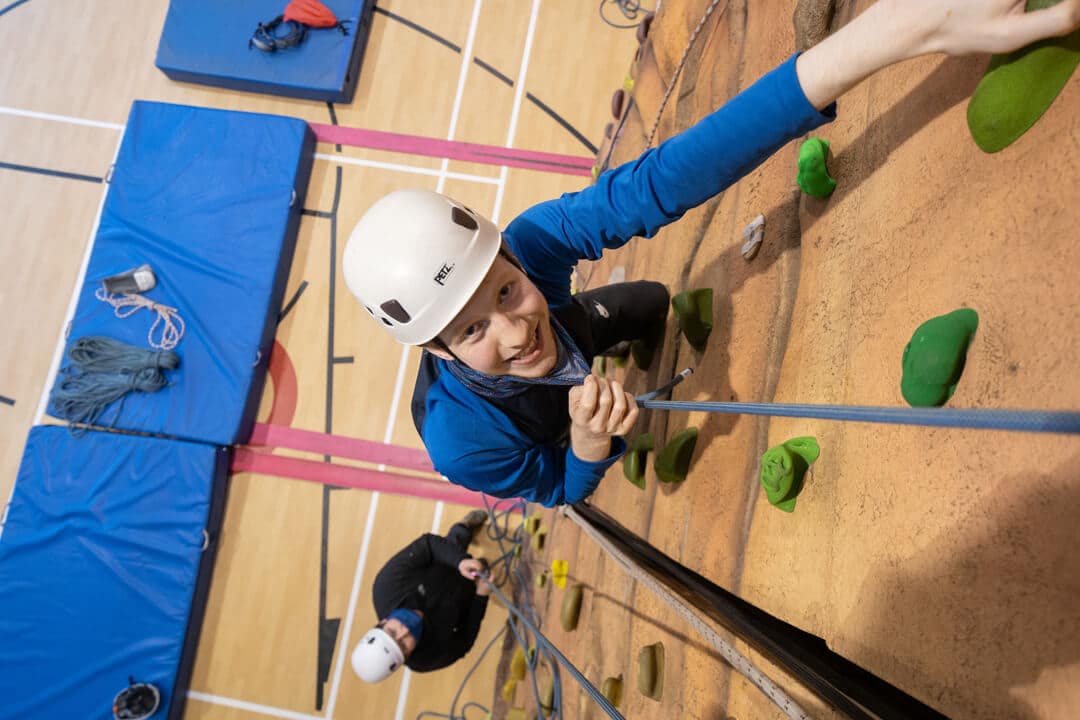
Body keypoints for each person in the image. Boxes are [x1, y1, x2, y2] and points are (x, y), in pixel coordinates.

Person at [342, 0, 1080, 508]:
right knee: (608, 415)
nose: (514, 330)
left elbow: (656, 183)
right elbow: (560, 490)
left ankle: (620, 348)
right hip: (555, 429)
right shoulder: (464, 446)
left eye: (505, 292)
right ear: (437, 351)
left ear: (508, 255)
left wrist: (889, 35)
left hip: (587, 337)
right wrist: (590, 443)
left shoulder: (530, 247)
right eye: (472, 330)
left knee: (653, 304)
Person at [351, 510, 493, 682]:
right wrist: (481, 597)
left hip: (442, 567)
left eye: (393, 631)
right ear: (408, 656)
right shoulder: (425, 660)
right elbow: (463, 643)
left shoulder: (386, 585)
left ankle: (465, 526)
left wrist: (460, 561)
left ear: (382, 623)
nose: (405, 631)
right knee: (485, 569)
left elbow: (427, 546)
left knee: (456, 540)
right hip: (461, 601)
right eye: (403, 645)